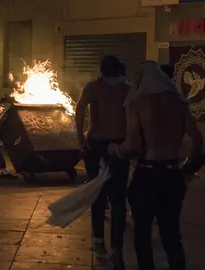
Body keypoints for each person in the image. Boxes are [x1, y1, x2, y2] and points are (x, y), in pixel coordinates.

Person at [108, 61, 203, 270]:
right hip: (173, 175)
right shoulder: (178, 102)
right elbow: (198, 139)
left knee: (142, 232)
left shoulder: (137, 103)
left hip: (147, 175)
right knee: (171, 233)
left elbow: (133, 144)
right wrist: (187, 166)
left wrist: (116, 150)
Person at [75, 55, 130, 269]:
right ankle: (116, 247)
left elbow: (80, 111)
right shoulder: (127, 89)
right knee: (118, 198)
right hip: (118, 145)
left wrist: (80, 136)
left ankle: (98, 241)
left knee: (97, 194)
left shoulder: (93, 87)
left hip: (95, 144)